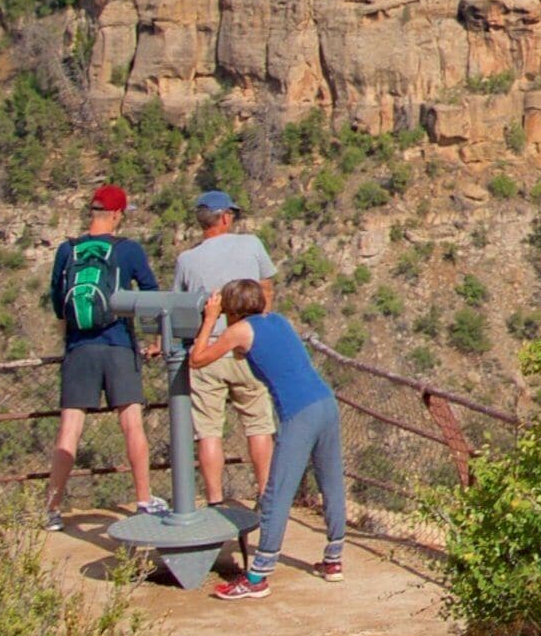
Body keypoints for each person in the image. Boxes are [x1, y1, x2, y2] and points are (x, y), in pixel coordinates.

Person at [190, 277, 345, 596]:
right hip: (325, 403)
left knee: (276, 493)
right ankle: (333, 560)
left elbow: (198, 359)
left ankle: (257, 577)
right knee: (331, 483)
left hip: (299, 412)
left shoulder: (238, 330)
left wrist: (209, 320)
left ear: (231, 308)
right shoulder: (277, 320)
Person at [46, 184, 165, 527]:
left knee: (69, 429)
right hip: (118, 345)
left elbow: (58, 302)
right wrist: (154, 338)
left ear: (92, 212)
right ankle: (143, 499)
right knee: (131, 423)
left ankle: (52, 509)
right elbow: (151, 294)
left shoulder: (67, 250)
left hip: (78, 348)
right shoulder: (127, 250)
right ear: (116, 215)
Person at [172, 189, 279, 508]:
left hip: (209, 348)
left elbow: (179, 308)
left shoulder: (186, 259)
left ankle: (216, 501)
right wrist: (260, 325)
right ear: (225, 217)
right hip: (247, 343)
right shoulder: (250, 244)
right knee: (259, 424)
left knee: (208, 431)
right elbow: (267, 289)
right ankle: (265, 495)